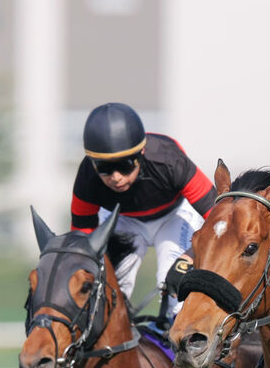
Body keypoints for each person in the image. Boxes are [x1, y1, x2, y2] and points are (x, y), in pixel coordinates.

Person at [70, 102, 216, 327]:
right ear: (93, 163)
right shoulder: (87, 176)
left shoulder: (168, 159)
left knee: (172, 277)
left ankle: (182, 335)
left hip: (173, 216)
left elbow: (219, 218)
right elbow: (82, 239)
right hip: (125, 220)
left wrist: (189, 257)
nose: (116, 177)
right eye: (105, 168)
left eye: (125, 165)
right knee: (110, 286)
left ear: (141, 153)